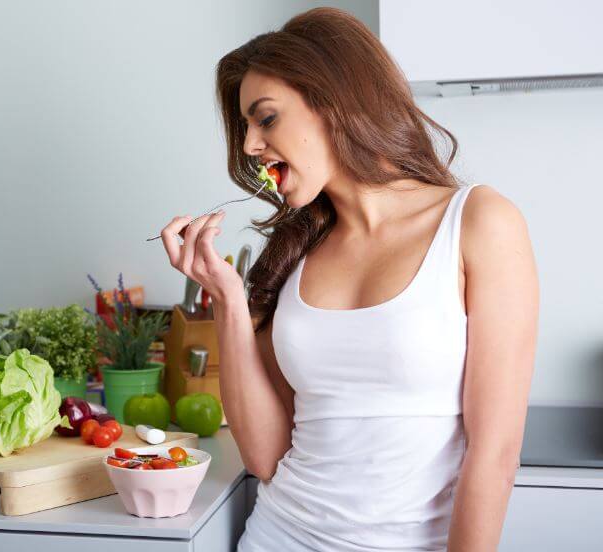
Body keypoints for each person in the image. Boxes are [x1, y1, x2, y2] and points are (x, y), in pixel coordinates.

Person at [158, 7, 538, 552]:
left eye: (265, 119)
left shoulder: (478, 223)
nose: (249, 147)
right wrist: (228, 301)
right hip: (277, 538)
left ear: (333, 103)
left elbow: (495, 454)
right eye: (246, 126)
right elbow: (266, 457)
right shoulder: (294, 252)